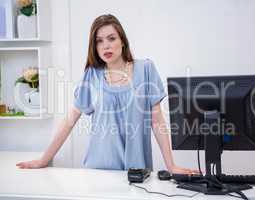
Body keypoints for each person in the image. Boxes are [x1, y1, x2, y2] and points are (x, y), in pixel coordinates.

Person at [16, 14, 199, 174]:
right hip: (99, 170)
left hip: (136, 172)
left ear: (122, 41)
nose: (106, 46)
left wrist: (171, 166)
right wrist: (43, 160)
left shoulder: (146, 69)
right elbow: (69, 121)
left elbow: (157, 121)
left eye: (111, 38)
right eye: (99, 41)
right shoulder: (91, 75)